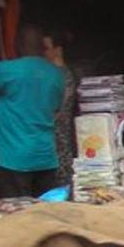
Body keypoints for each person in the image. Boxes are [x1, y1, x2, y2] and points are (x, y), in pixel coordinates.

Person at [0, 24, 66, 198]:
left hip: (14, 157)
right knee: (47, 211)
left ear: (17, 46)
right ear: (41, 48)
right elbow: (56, 107)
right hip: (45, 155)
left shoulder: (7, 70)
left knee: (17, 216)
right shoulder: (56, 74)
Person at [43, 30, 76, 189]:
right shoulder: (55, 75)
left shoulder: (63, 76)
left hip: (59, 145)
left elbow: (58, 113)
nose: (43, 53)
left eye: (46, 48)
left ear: (58, 50)